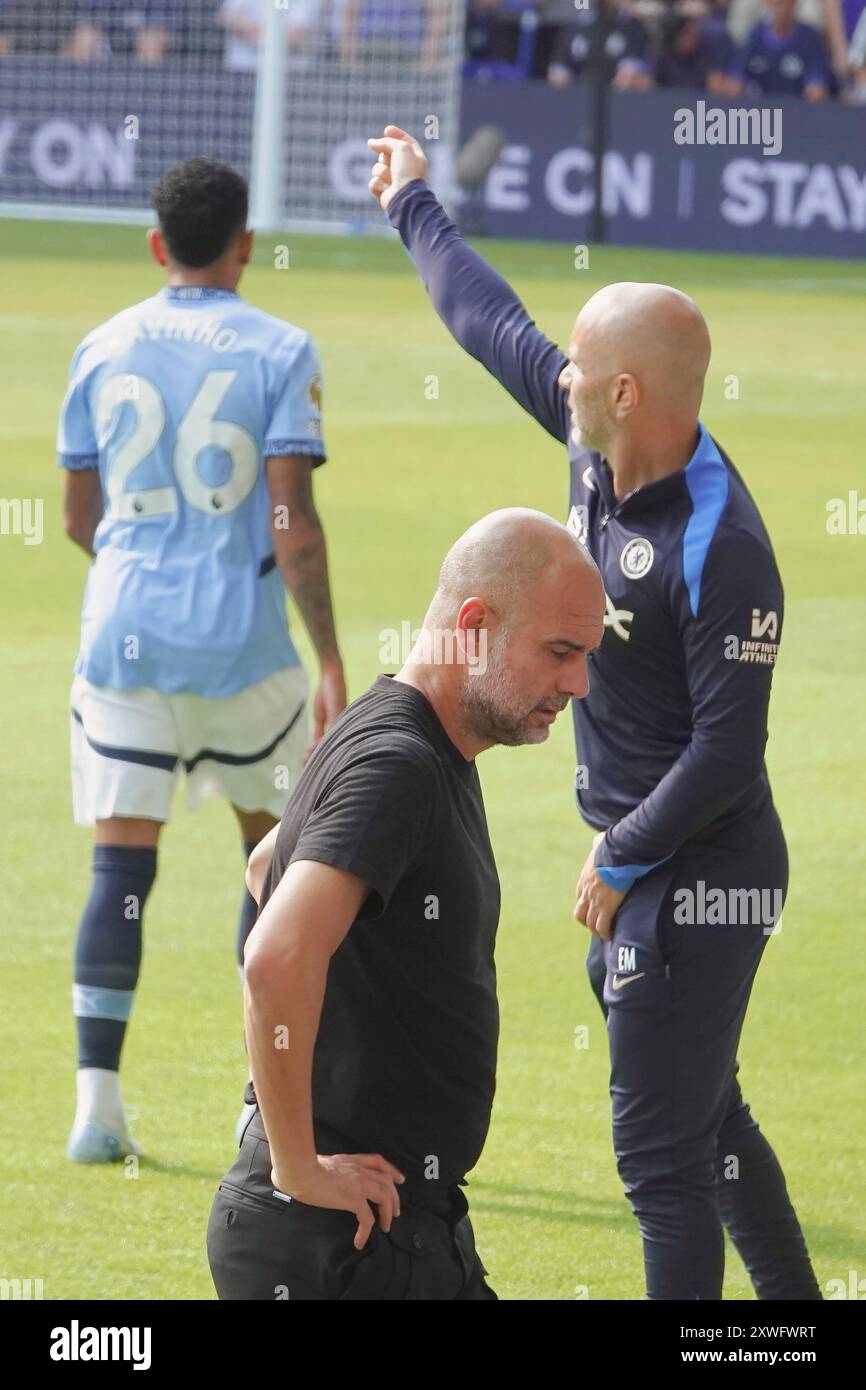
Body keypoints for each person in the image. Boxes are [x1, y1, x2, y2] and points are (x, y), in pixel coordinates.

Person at [365, 127, 822, 1301]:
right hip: (651, 864)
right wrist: (414, 203)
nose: (555, 374)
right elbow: (488, 324)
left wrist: (622, 851)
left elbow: (728, 746)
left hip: (701, 866)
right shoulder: (596, 454)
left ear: (625, 390)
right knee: (709, 1123)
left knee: (661, 1163)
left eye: (578, 365)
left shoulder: (722, 546)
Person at [206, 509, 605, 1300]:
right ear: (475, 625)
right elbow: (278, 954)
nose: (579, 685)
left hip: (391, 1229)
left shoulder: (406, 735)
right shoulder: (400, 764)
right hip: (341, 1242)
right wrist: (293, 1162)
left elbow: (266, 866)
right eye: (561, 652)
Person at [58, 156, 346, 1163]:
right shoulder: (281, 347)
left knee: (119, 866)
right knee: (272, 863)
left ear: (154, 243)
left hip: (124, 641)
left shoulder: (100, 345)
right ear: (245, 246)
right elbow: (291, 519)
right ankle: (254, 1107)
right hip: (245, 647)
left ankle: (97, 1104)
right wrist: (331, 659)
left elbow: (76, 518)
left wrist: (146, 577)